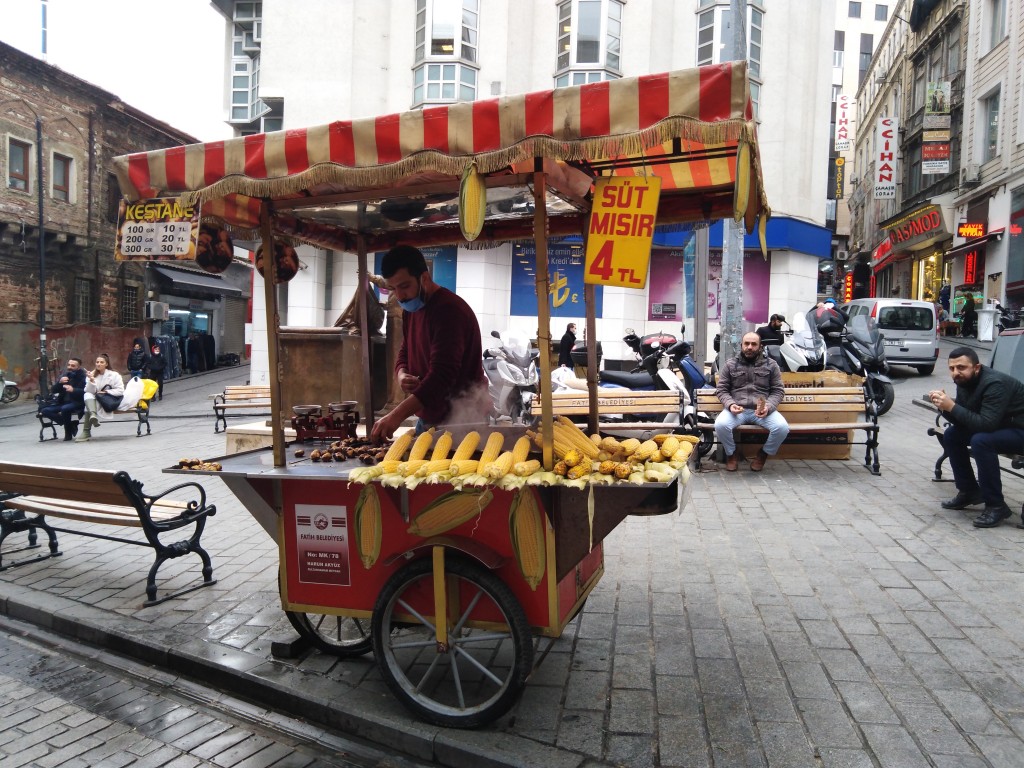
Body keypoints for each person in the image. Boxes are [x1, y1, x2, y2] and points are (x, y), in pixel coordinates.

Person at [369, 245, 487, 441]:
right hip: (429, 415)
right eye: (393, 288)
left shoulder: (449, 311)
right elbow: (405, 350)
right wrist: (401, 374)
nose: (399, 296)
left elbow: (442, 376)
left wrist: (395, 416)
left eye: (404, 286)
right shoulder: (411, 310)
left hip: (462, 419)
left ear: (424, 277)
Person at [929, 347, 1024, 528]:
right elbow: (965, 419)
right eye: (952, 368)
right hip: (1002, 427)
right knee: (952, 434)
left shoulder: (995, 384)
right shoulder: (964, 381)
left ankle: (996, 505)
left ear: (977, 368)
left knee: (981, 440)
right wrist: (944, 407)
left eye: (961, 367)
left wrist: (952, 407)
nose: (956, 373)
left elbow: (986, 425)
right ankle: (969, 491)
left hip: (1020, 429)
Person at [714, 332, 790, 471]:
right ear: (741, 345)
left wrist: (768, 407)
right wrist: (730, 405)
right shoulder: (730, 365)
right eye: (746, 343)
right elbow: (721, 390)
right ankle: (732, 453)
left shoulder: (771, 365)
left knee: (782, 428)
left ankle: (763, 454)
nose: (749, 347)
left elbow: (778, 391)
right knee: (720, 425)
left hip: (761, 411)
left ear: (760, 346)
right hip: (737, 410)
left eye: (754, 344)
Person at [77, 354, 125, 442]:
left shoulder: (114, 375)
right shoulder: (91, 374)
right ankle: (93, 416)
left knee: (88, 406)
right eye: (97, 362)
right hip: (95, 399)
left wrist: (106, 392)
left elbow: (121, 391)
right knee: (87, 395)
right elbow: (89, 391)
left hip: (108, 400)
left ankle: (86, 431)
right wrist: (91, 380)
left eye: (101, 362)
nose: (98, 364)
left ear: (106, 364)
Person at [39, 357, 86, 441]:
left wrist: (73, 390)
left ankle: (68, 433)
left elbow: (86, 391)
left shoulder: (83, 376)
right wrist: (59, 383)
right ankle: (71, 425)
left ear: (78, 367)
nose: (70, 367)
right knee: (44, 411)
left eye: (73, 365)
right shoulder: (65, 375)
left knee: (65, 409)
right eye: (69, 365)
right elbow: (53, 390)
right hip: (62, 402)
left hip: (77, 402)